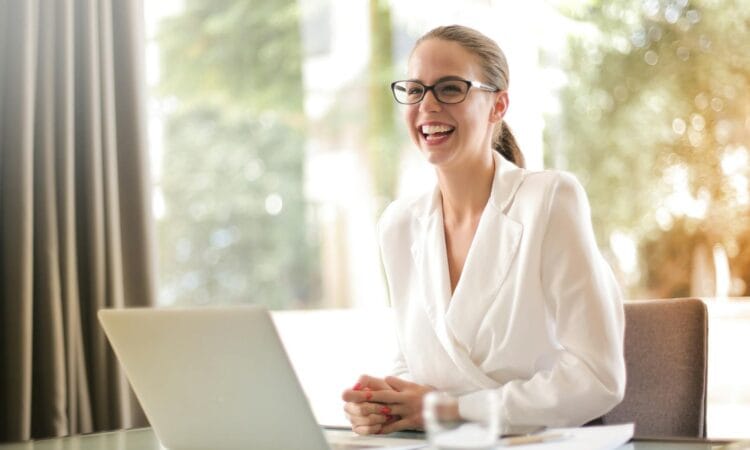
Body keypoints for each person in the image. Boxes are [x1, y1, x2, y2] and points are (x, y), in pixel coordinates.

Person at [341, 25, 626, 435]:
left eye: (451, 89)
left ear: (498, 105)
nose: (428, 105)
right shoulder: (398, 226)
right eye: (415, 89)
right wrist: (385, 404)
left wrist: (451, 409)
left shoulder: (549, 200)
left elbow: (598, 378)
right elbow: (415, 361)